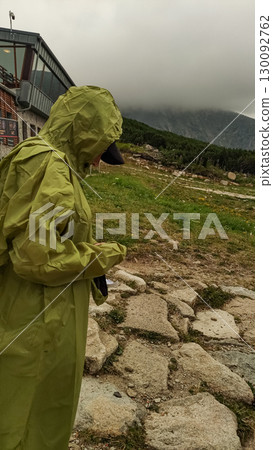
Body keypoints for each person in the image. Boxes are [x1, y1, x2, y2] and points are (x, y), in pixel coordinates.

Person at [0, 86, 127, 449]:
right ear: (84, 132)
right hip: (40, 316)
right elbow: (35, 258)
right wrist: (101, 256)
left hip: (34, 308)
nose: (101, 161)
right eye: (101, 149)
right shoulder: (51, 168)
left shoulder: (40, 158)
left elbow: (40, 238)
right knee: (28, 414)